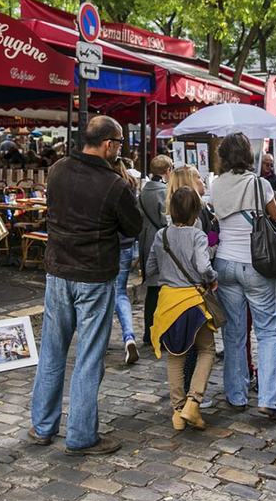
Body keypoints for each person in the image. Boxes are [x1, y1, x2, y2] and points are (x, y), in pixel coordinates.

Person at [30, 116, 142, 455]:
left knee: (52, 351)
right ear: (108, 144)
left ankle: (42, 426)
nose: (120, 149)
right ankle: (80, 435)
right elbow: (133, 226)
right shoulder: (114, 185)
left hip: (59, 271)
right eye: (119, 143)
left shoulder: (57, 170)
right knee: (89, 357)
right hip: (93, 275)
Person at [209, 133, 276, 421]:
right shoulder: (259, 184)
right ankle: (268, 398)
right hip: (255, 264)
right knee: (266, 332)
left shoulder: (216, 185)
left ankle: (236, 395)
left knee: (233, 333)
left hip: (225, 262)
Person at [145, 186, 217, 431]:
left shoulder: (161, 235)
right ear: (195, 212)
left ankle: (177, 411)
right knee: (206, 349)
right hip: (192, 300)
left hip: (168, 302)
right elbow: (204, 267)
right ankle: (193, 402)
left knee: (175, 355)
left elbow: (150, 267)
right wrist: (212, 277)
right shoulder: (198, 236)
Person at [139, 155, 173, 346]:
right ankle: (160, 333)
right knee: (162, 289)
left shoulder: (144, 191)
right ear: (167, 170)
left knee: (151, 289)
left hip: (145, 240)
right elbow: (165, 219)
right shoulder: (164, 191)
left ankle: (148, 331)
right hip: (161, 243)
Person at [113, 160, 141, 366]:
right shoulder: (130, 185)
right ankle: (129, 336)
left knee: (105, 292)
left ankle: (101, 337)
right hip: (126, 244)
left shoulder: (107, 184)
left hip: (109, 244)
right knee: (120, 292)